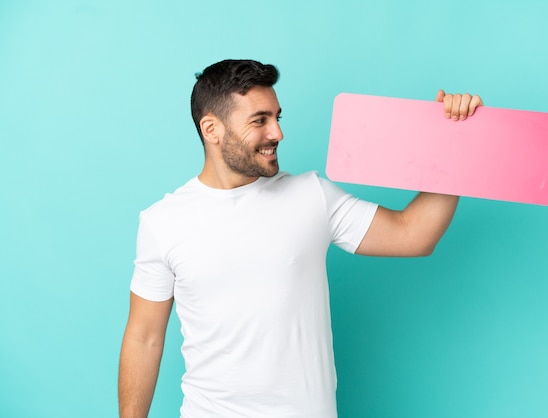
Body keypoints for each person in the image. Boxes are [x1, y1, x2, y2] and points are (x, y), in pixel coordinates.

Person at [118, 59, 483, 418]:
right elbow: (144, 337)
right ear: (212, 129)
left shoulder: (312, 196)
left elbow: (413, 235)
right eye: (259, 120)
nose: (277, 132)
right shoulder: (162, 222)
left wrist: (451, 140)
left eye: (277, 117)